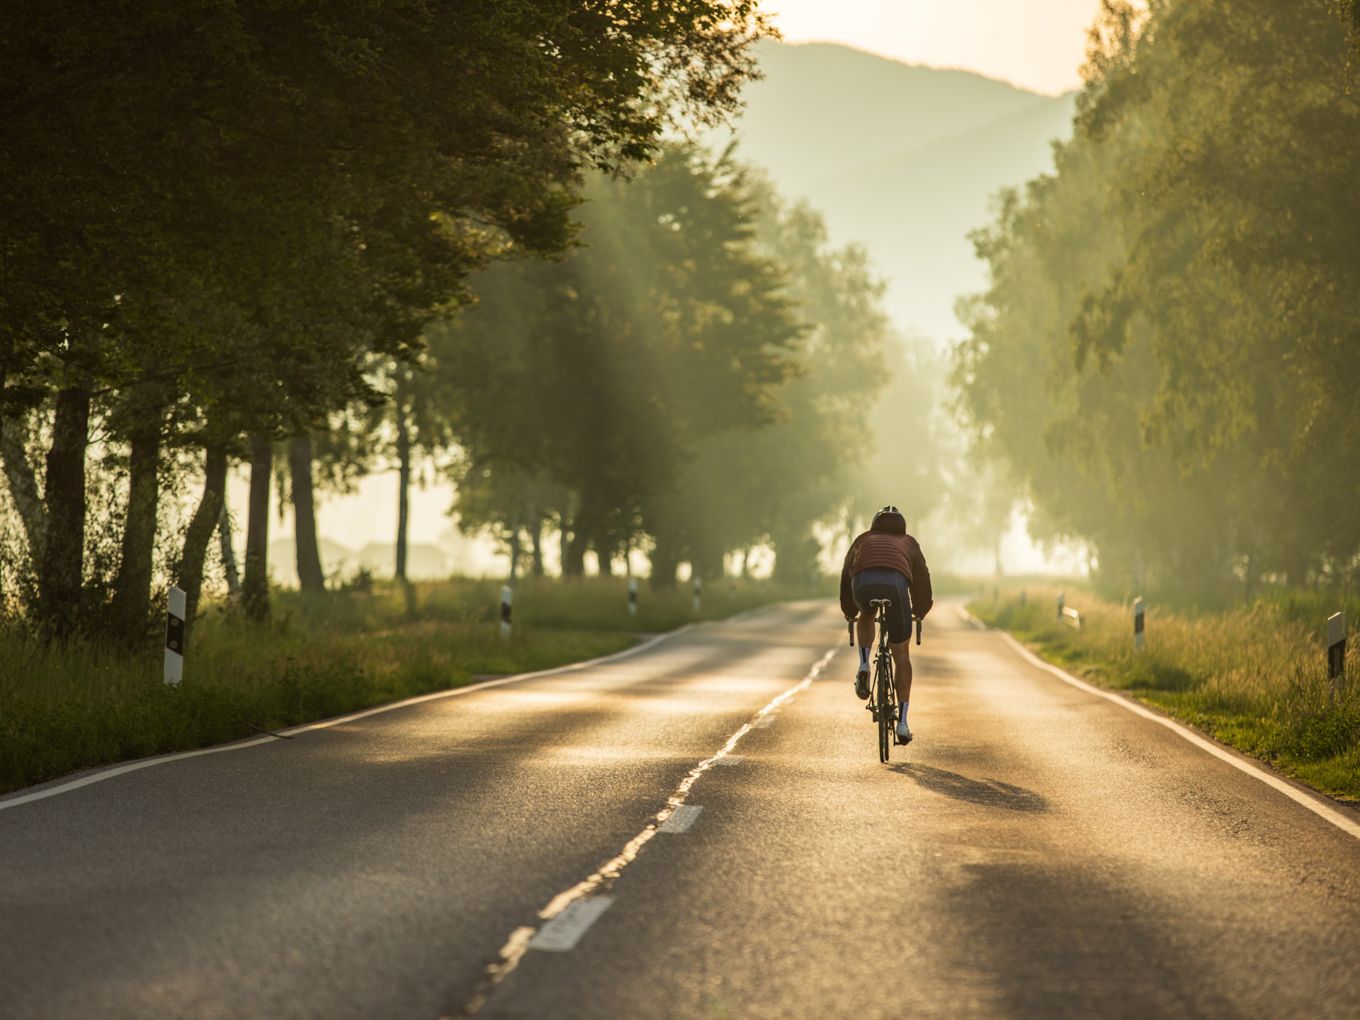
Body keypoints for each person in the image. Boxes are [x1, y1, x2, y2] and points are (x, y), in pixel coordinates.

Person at [838, 505, 933, 744]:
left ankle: (863, 664)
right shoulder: (909, 543)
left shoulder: (862, 539)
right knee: (901, 652)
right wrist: (920, 610)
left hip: (862, 583)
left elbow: (845, 574)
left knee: (866, 614)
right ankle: (902, 723)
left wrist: (850, 611)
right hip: (895, 585)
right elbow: (922, 581)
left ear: (874, 524)